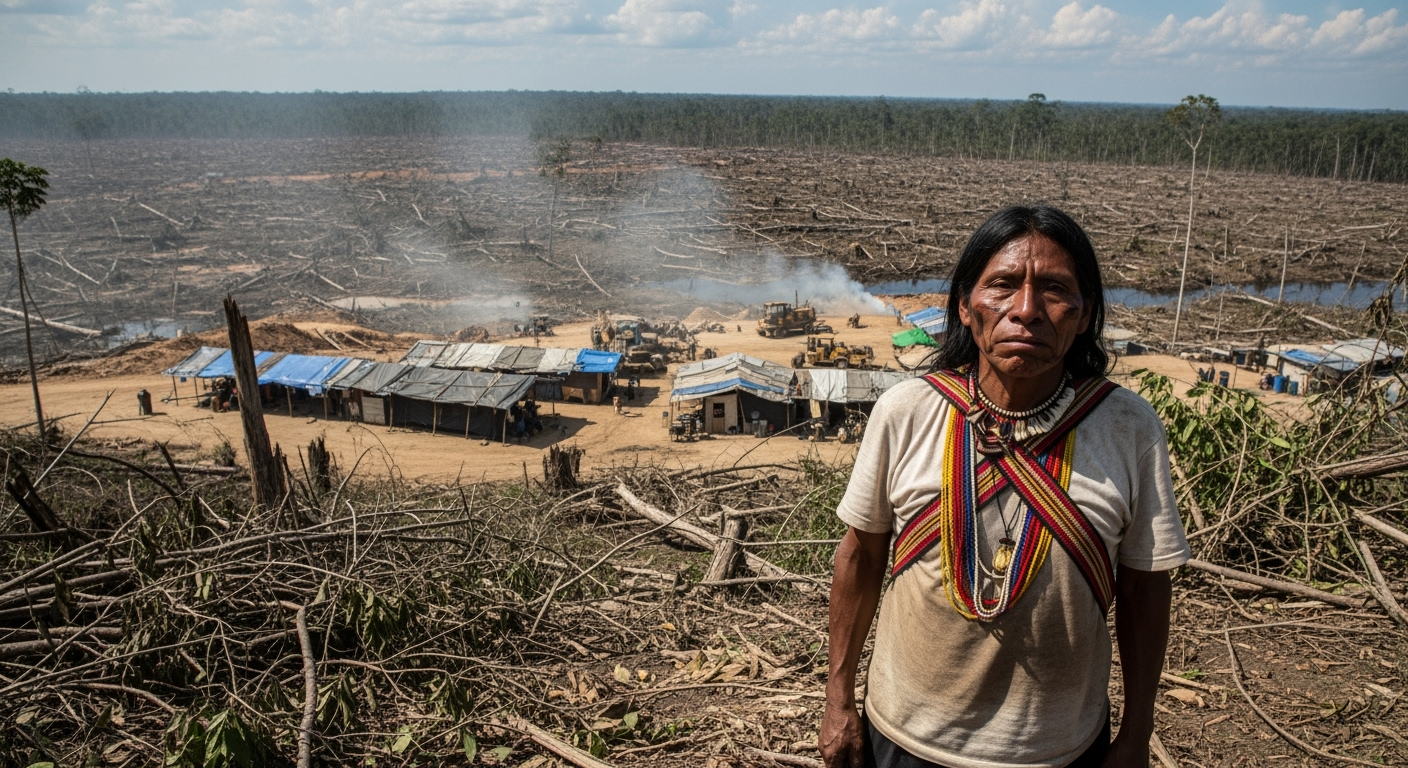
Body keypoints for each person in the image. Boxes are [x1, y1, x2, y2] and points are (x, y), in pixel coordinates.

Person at [821, 205, 1190, 768]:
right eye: (1001, 286)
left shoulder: (1128, 428)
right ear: (966, 308)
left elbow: (1143, 591)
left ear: (1085, 314)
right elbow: (861, 557)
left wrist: (1137, 733)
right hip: (906, 740)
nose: (1026, 310)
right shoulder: (907, 412)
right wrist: (838, 701)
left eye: (1054, 290)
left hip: (1058, 749)